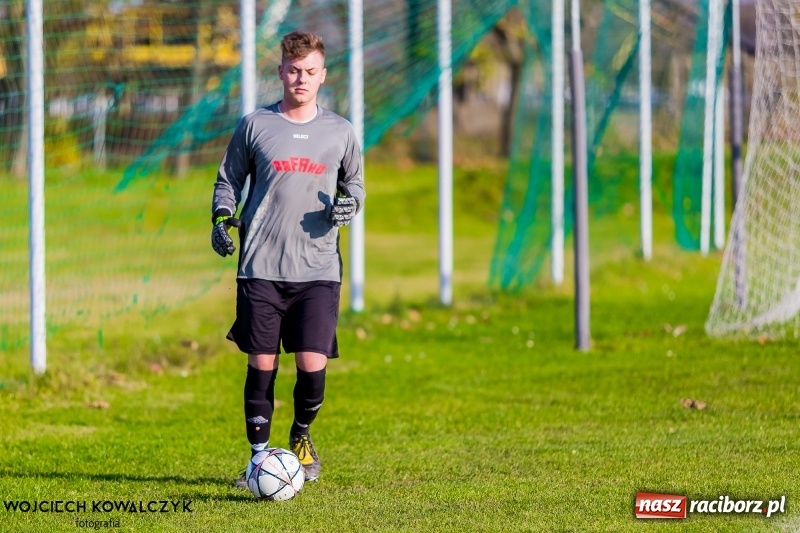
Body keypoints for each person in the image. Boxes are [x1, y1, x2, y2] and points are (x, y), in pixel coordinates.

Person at [210, 30, 365, 485]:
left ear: (323, 76)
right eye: (294, 71)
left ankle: (301, 435)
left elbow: (354, 186)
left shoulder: (341, 131)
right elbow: (227, 181)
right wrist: (221, 219)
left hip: (318, 270)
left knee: (311, 366)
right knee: (262, 365)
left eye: (310, 72)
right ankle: (258, 458)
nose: (301, 79)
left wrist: (348, 205)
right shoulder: (255, 125)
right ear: (281, 72)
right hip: (260, 267)